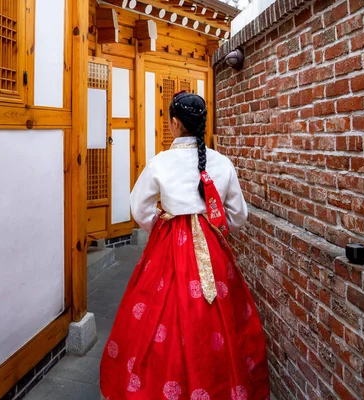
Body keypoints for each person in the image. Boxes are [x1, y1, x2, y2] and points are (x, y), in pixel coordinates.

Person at [100, 91, 270, 400]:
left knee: (154, 315)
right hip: (212, 248)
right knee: (221, 318)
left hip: (167, 247)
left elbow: (139, 208)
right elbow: (238, 215)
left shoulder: (160, 163)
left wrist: (161, 224)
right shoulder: (221, 163)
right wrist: (213, 228)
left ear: (175, 123)